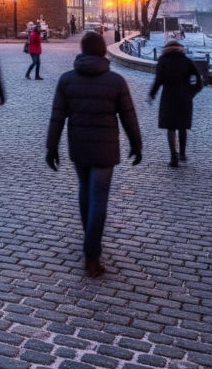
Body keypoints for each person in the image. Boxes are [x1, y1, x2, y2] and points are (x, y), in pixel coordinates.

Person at [44, 31, 142, 277]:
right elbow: (129, 116)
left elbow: (57, 116)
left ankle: (90, 238)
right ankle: (92, 254)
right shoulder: (116, 81)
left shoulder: (67, 80)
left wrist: (51, 146)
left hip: (79, 145)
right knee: (98, 197)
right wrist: (136, 144)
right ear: (102, 50)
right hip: (105, 147)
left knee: (85, 190)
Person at [148, 38, 202, 167]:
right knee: (182, 126)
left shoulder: (163, 61)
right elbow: (199, 80)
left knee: (171, 127)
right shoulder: (187, 61)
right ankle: (182, 153)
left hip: (169, 97)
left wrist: (152, 94)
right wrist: (192, 93)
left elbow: (158, 80)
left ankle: (173, 156)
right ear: (180, 49)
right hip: (185, 98)